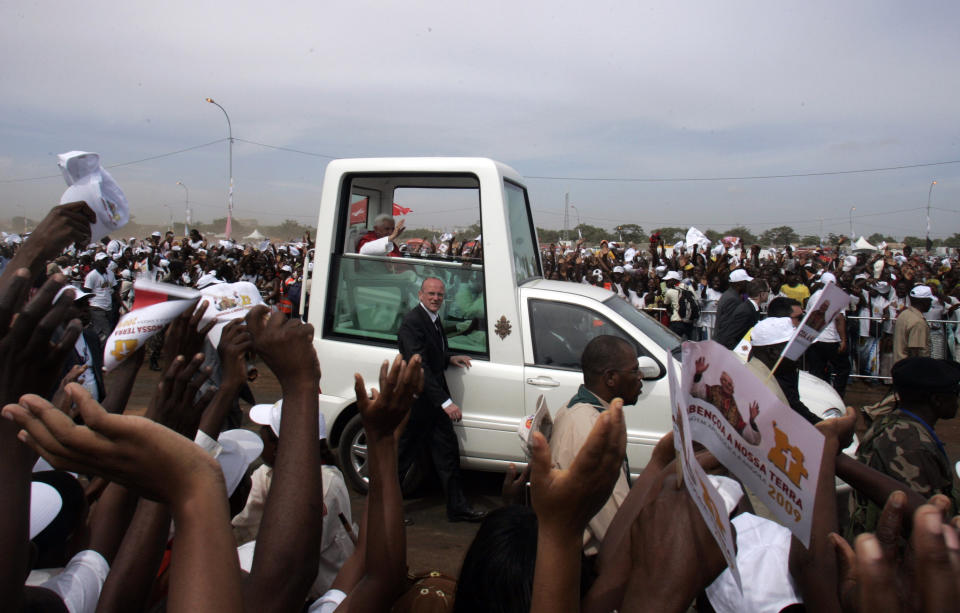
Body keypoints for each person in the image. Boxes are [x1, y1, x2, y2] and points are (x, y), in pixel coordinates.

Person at [396, 277, 484, 522]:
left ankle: (457, 508)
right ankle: (386, 509)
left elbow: (431, 353)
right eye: (431, 294)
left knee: (447, 455)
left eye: (440, 295)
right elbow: (419, 364)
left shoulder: (433, 320)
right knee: (402, 459)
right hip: (417, 403)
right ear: (420, 295)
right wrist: (446, 402)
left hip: (433, 406)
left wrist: (448, 358)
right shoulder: (412, 323)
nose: (436, 298)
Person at [549, 335, 642, 555]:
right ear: (610, 378)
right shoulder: (593, 431)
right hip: (586, 567)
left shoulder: (581, 410)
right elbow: (617, 529)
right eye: (634, 371)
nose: (640, 377)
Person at [847, 357, 960, 536]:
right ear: (937, 400)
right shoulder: (910, 446)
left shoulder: (891, 422)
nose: (957, 399)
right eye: (955, 392)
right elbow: (928, 521)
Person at [690, 357, 761, 445]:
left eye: (730, 384)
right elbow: (698, 393)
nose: (727, 385)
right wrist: (698, 374)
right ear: (721, 381)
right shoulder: (713, 390)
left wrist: (752, 420)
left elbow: (748, 436)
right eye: (725, 381)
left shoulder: (735, 407)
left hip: (716, 446)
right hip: (697, 434)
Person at [805, 272, 850, 397]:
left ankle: (818, 396)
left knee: (817, 371)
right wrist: (843, 340)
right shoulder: (836, 297)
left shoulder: (813, 296)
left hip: (814, 340)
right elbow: (839, 319)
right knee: (843, 368)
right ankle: (837, 394)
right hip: (830, 340)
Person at [714, 278, 768, 350]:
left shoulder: (753, 308)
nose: (768, 294)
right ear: (762, 294)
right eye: (768, 291)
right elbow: (729, 336)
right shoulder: (745, 311)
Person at [83, 252, 117, 343]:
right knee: (106, 332)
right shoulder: (91, 275)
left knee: (100, 331)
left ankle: (95, 347)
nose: (106, 262)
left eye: (107, 260)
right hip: (96, 306)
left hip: (108, 307)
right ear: (97, 262)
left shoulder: (110, 273)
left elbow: (115, 288)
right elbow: (87, 291)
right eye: (103, 260)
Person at [893, 284, 932, 363]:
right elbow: (915, 352)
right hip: (911, 370)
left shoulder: (904, 314)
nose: (931, 304)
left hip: (899, 366)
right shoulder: (918, 322)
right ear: (923, 302)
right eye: (930, 301)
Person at [714, 268, 752, 340]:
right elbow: (727, 325)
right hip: (726, 342)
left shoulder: (730, 294)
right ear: (739, 283)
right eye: (746, 282)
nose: (748, 284)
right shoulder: (733, 299)